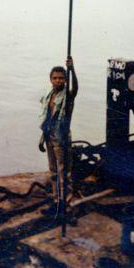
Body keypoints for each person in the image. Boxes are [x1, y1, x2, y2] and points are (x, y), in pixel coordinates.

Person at [39, 56, 78, 213]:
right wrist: (42, 139)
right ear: (50, 80)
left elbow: (75, 89)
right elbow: (46, 118)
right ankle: (56, 201)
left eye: (61, 78)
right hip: (50, 137)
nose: (58, 81)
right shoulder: (49, 96)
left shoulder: (67, 96)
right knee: (54, 172)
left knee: (65, 173)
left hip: (61, 138)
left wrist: (72, 69)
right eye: (55, 78)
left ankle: (66, 204)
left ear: (65, 80)